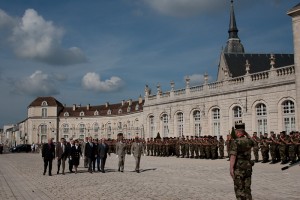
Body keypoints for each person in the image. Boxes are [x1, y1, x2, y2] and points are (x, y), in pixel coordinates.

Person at [229, 124, 254, 200]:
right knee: (247, 188)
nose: (235, 133)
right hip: (248, 167)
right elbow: (254, 143)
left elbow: (233, 156)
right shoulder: (249, 141)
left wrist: (231, 168)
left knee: (239, 188)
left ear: (238, 133)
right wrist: (246, 134)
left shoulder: (236, 142)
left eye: (236, 132)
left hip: (239, 168)